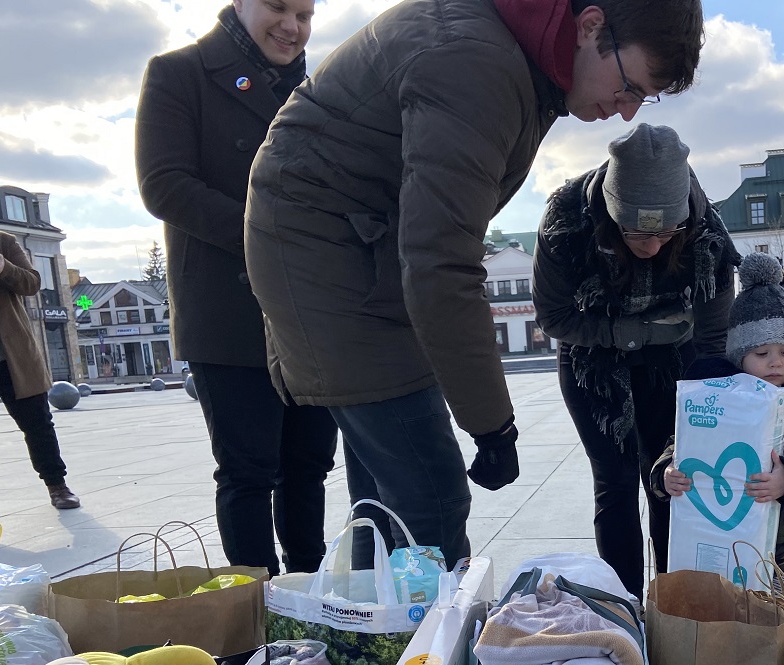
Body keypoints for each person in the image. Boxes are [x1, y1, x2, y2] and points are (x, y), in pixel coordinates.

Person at [242, 0, 705, 569]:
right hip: (330, 263)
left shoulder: (521, 63)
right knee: (430, 499)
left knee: (385, 501)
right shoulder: (479, 64)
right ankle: (419, 653)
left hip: (356, 254)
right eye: (631, 85)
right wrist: (491, 424)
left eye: (644, 98)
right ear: (590, 28)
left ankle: (367, 636)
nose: (628, 110)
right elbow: (441, 259)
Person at [135, 0, 337, 576]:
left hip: (312, 313)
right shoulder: (180, 73)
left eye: (305, 14)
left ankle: (305, 591)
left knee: (308, 466)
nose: (292, 27)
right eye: (278, 7)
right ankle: (253, 612)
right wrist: (270, 235)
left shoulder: (321, 87)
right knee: (248, 470)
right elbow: (165, 185)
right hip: (229, 313)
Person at [533, 123, 739, 597]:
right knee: (616, 484)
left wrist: (714, 408)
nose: (651, 247)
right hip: (591, 361)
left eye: (667, 233)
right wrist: (633, 332)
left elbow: (712, 336)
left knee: (672, 483)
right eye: (635, 233)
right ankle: (623, 606)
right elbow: (554, 316)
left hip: (674, 359)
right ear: (610, 211)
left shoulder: (705, 232)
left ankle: (673, 604)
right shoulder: (566, 220)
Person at [650, 252, 784, 600]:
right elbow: (682, 441)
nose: (775, 362)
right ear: (740, 358)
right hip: (728, 538)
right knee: (730, 604)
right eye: (761, 354)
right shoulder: (719, 401)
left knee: (782, 604)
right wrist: (667, 472)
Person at [0, 181, 81, 509]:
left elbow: (33, 282)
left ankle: (57, 486)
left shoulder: (3, 241)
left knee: (37, 423)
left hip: (11, 349)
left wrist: (2, 268)